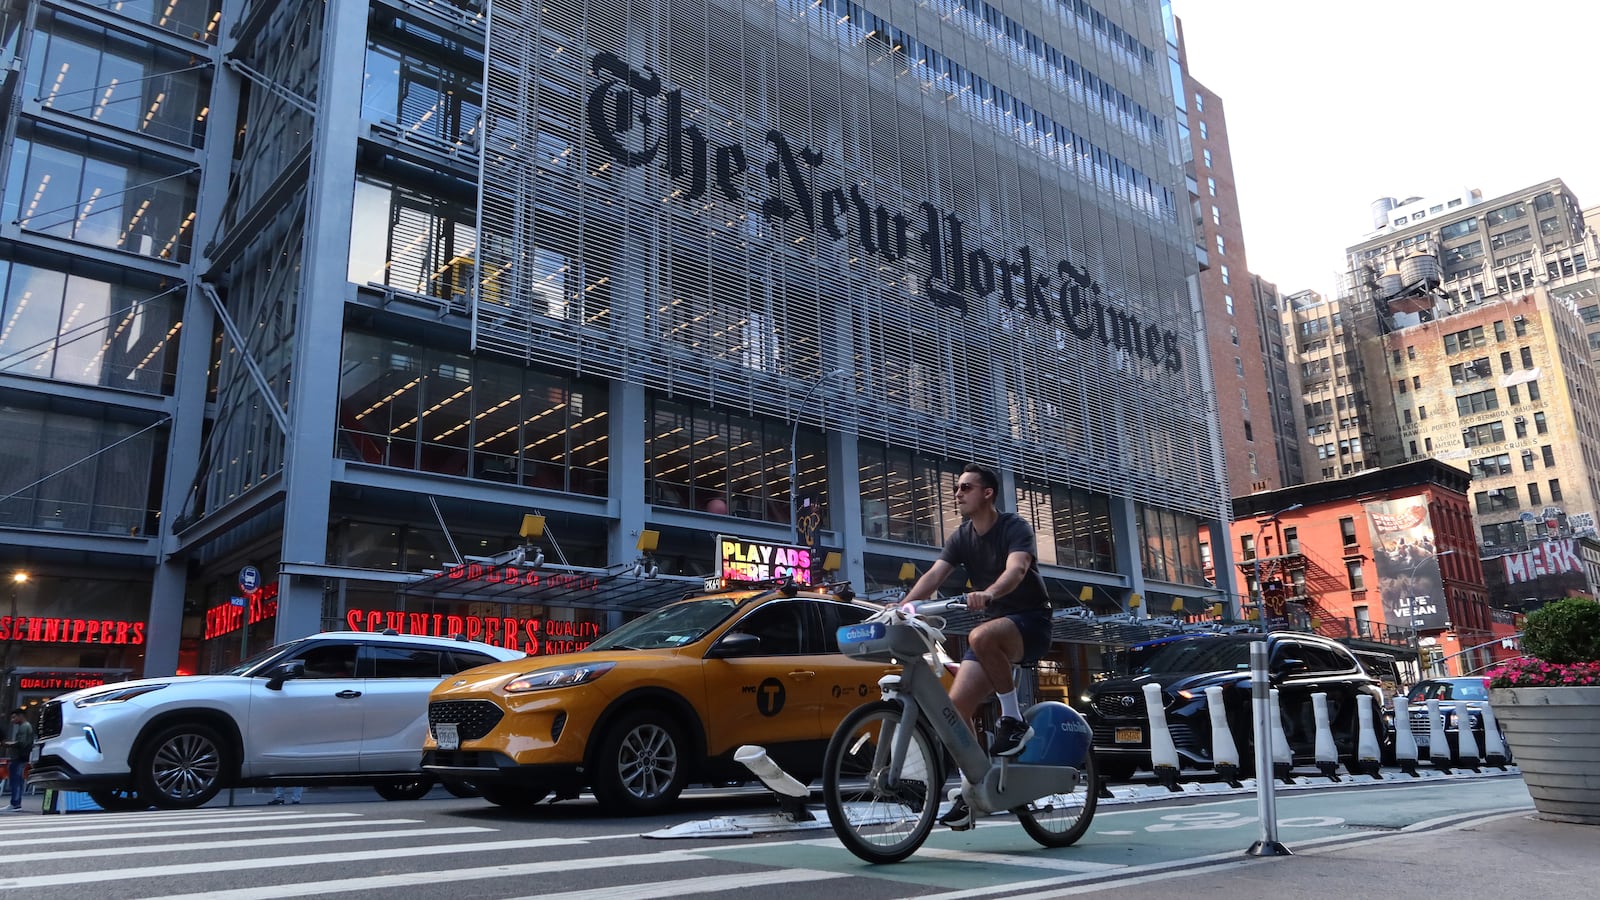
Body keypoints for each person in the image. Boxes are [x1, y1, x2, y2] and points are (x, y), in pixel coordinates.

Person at [901, 463, 1053, 830]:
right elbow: (935, 574)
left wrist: (989, 593)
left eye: (966, 487)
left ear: (987, 493)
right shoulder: (962, 536)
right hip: (994, 628)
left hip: (1031, 621)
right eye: (957, 488)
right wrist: (903, 606)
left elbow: (1016, 570)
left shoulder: (1013, 527)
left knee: (979, 636)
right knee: (954, 710)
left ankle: (1013, 720)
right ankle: (977, 788)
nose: (958, 493)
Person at [4, 708, 36, 811]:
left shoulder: (24, 727)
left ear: (20, 716)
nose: (12, 720)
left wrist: (9, 744)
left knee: (16, 781)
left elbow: (22, 743)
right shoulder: (26, 727)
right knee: (17, 780)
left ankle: (15, 803)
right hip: (21, 758)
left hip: (19, 758)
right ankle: (15, 803)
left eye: (14, 717)